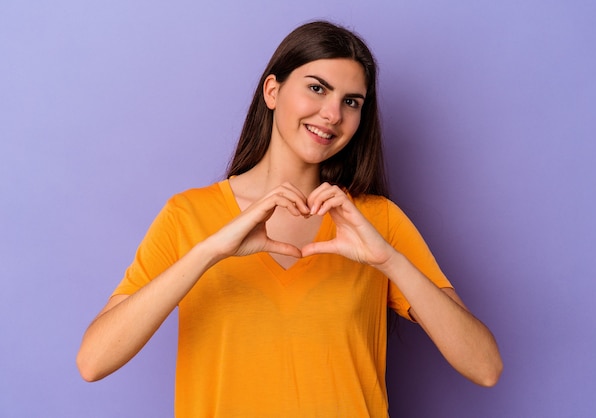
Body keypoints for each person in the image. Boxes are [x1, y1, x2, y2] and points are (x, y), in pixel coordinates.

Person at [77, 20, 502, 417]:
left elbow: (485, 367)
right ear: (272, 92)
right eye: (317, 89)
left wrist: (389, 261)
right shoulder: (188, 215)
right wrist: (210, 252)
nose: (333, 114)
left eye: (350, 102)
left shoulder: (374, 221)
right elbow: (94, 361)